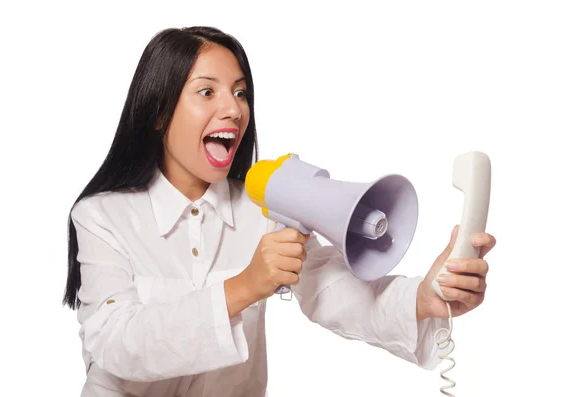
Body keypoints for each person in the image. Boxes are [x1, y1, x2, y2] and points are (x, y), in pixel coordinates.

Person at [63, 26, 496, 397]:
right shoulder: (103, 217)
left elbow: (333, 291)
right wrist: (245, 286)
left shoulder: (263, 209)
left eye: (239, 93)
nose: (233, 109)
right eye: (207, 91)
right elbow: (116, 342)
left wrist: (423, 299)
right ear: (159, 113)